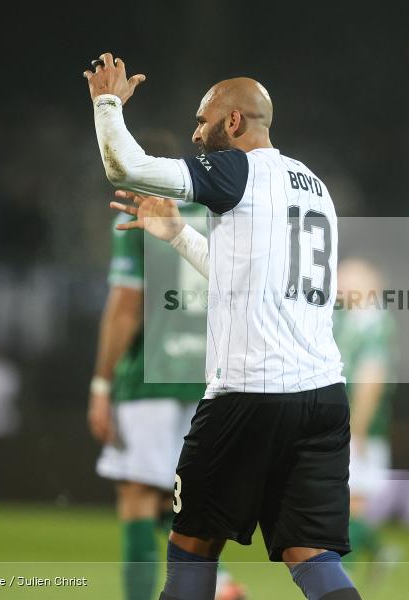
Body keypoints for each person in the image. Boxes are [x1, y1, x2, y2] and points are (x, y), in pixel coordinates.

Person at [84, 52, 361, 600]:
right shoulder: (314, 185)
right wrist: (178, 235)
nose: (195, 132)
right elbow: (248, 277)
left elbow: (126, 168)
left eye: (202, 119)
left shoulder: (237, 170)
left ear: (233, 121)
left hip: (249, 395)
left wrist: (107, 102)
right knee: (311, 555)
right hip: (324, 399)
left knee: (191, 546)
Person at [88, 129, 246, 600]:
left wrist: (101, 384)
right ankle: (221, 584)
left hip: (151, 377)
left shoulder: (142, 211)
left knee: (139, 496)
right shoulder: (224, 214)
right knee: (186, 498)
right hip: (214, 380)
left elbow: (126, 305)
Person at [333, 258, 398, 576]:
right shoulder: (345, 318)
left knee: (347, 505)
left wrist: (357, 429)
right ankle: (379, 552)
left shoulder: (374, 323)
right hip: (338, 424)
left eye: (348, 278)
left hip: (358, 429)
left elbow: (372, 379)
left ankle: (339, 578)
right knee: (343, 505)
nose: (339, 284)